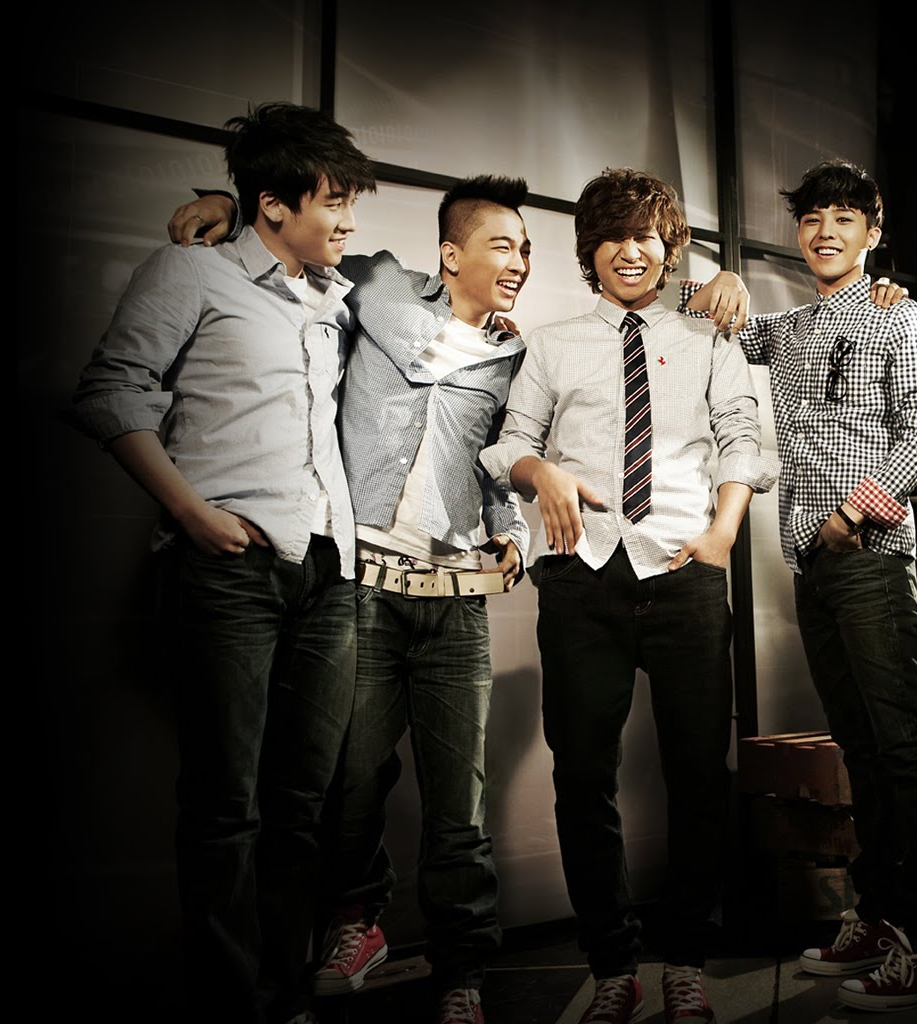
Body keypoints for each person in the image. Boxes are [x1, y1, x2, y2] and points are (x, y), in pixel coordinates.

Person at [170, 175, 533, 1024]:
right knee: (348, 785)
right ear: (451, 254)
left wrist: (514, 532)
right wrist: (230, 206)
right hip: (362, 588)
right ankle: (355, 924)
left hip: (456, 602)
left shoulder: (514, 357)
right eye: (504, 245)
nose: (520, 261)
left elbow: (499, 457)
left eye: (526, 249)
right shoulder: (376, 281)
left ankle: (462, 975)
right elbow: (294, 242)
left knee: (459, 804)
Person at [72, 101, 376, 1024]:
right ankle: (230, 1003)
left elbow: (403, 278)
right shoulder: (191, 271)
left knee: (303, 799)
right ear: (275, 204)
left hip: (326, 569)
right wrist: (189, 511)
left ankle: (288, 993)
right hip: (229, 568)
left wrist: (227, 196)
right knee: (223, 803)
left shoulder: (336, 294)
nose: (348, 220)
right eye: (334, 201)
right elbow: (109, 389)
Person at [481, 167, 777, 1024]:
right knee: (582, 776)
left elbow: (742, 437)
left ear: (668, 246)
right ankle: (612, 965)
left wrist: (722, 535)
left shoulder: (708, 336)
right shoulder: (554, 344)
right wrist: (540, 473)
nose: (628, 251)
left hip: (686, 569)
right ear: (590, 251)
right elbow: (509, 443)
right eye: (611, 237)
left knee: (699, 773)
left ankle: (686, 959)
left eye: (644, 235)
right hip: (583, 577)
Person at [684, 161, 917, 1012]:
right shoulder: (793, 326)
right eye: (813, 219)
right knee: (863, 750)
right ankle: (879, 920)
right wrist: (721, 278)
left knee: (903, 746)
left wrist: (851, 514)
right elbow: (702, 323)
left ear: (873, 233)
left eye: (845, 218)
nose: (825, 232)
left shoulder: (900, 316)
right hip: (811, 563)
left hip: (871, 555)